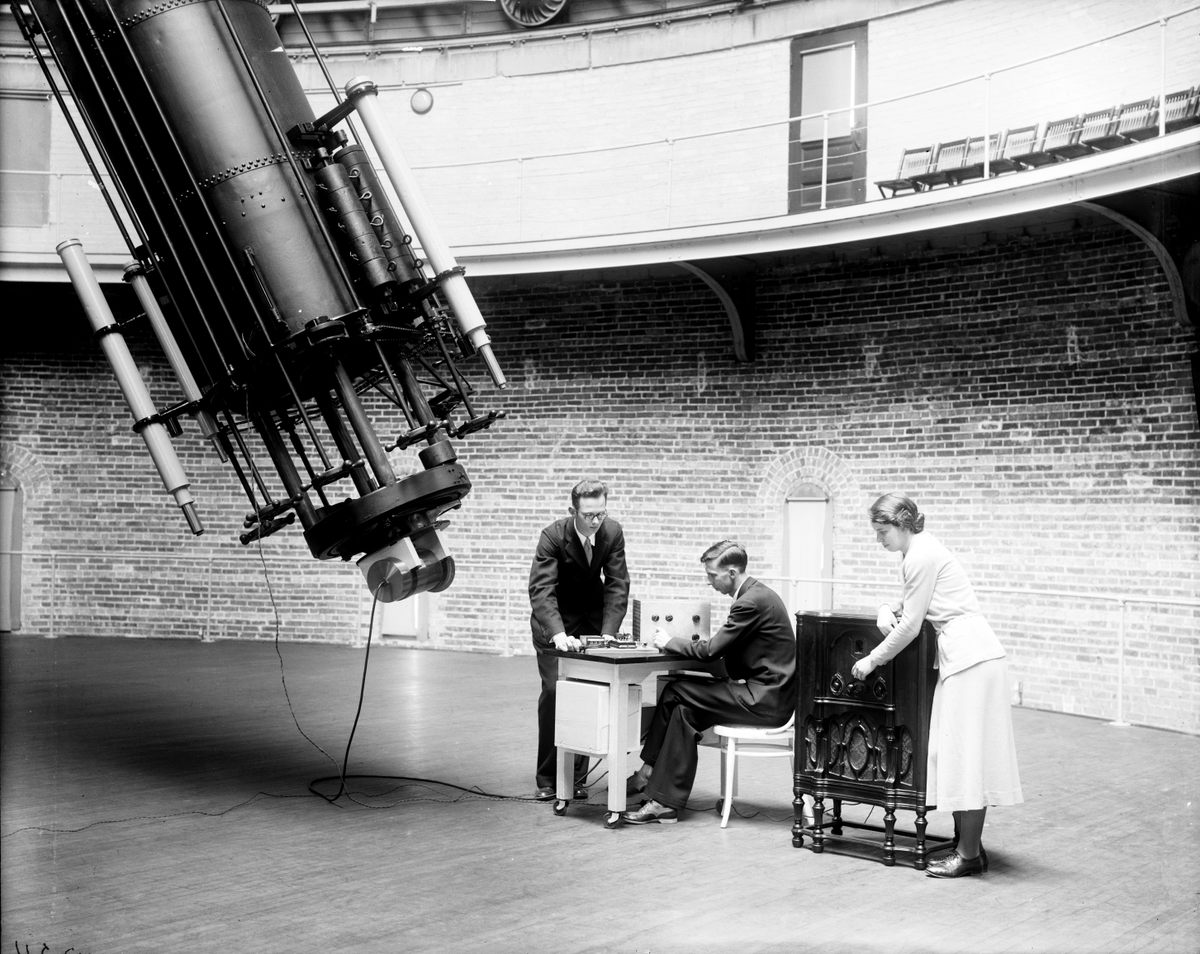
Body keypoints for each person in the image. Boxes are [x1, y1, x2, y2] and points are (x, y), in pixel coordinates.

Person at [851, 493, 1022, 878]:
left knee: (965, 756)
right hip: (968, 656)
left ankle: (968, 854)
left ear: (901, 524)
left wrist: (871, 659)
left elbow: (911, 625)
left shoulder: (920, 555)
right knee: (958, 754)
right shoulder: (920, 550)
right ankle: (969, 848)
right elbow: (912, 605)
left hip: (969, 659)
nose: (879, 539)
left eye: (882, 532)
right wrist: (886, 608)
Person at [620, 540, 796, 825]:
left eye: (713, 575)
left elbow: (712, 650)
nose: (709, 581)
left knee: (675, 691)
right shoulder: (758, 594)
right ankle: (663, 802)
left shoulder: (750, 602)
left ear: (732, 572)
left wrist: (670, 641)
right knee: (683, 712)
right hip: (767, 694)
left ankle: (647, 772)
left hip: (765, 700)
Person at [528, 478, 630, 801]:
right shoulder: (553, 536)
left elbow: (617, 585)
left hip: (593, 622)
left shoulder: (612, 532)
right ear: (574, 510)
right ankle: (547, 778)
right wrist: (558, 634)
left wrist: (608, 635)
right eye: (589, 515)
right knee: (556, 693)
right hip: (555, 622)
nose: (596, 521)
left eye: (601, 513)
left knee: (589, 695)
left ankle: (575, 778)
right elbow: (541, 590)